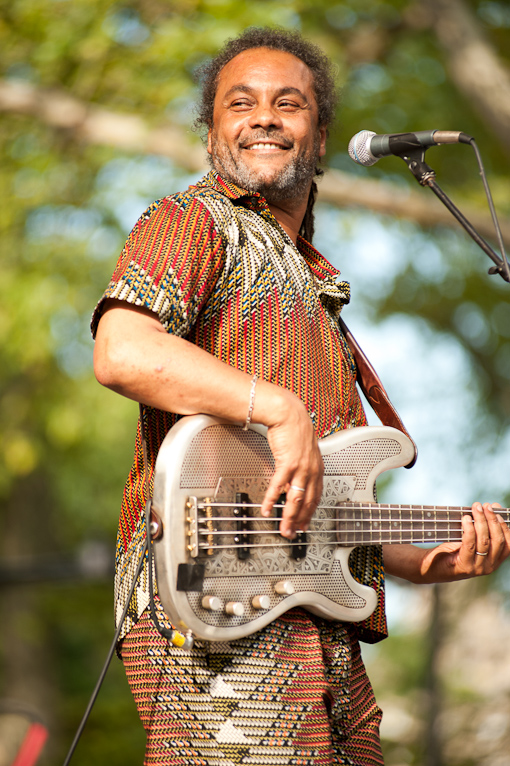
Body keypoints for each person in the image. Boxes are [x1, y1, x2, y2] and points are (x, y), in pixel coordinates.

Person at [92, 27, 510, 766]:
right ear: (210, 128)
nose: (263, 117)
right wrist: (277, 408)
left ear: (320, 137)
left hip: (316, 621)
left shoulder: (318, 287)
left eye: (289, 104)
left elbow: (326, 510)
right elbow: (124, 350)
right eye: (240, 103)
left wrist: (430, 562)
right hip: (207, 605)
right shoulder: (192, 221)